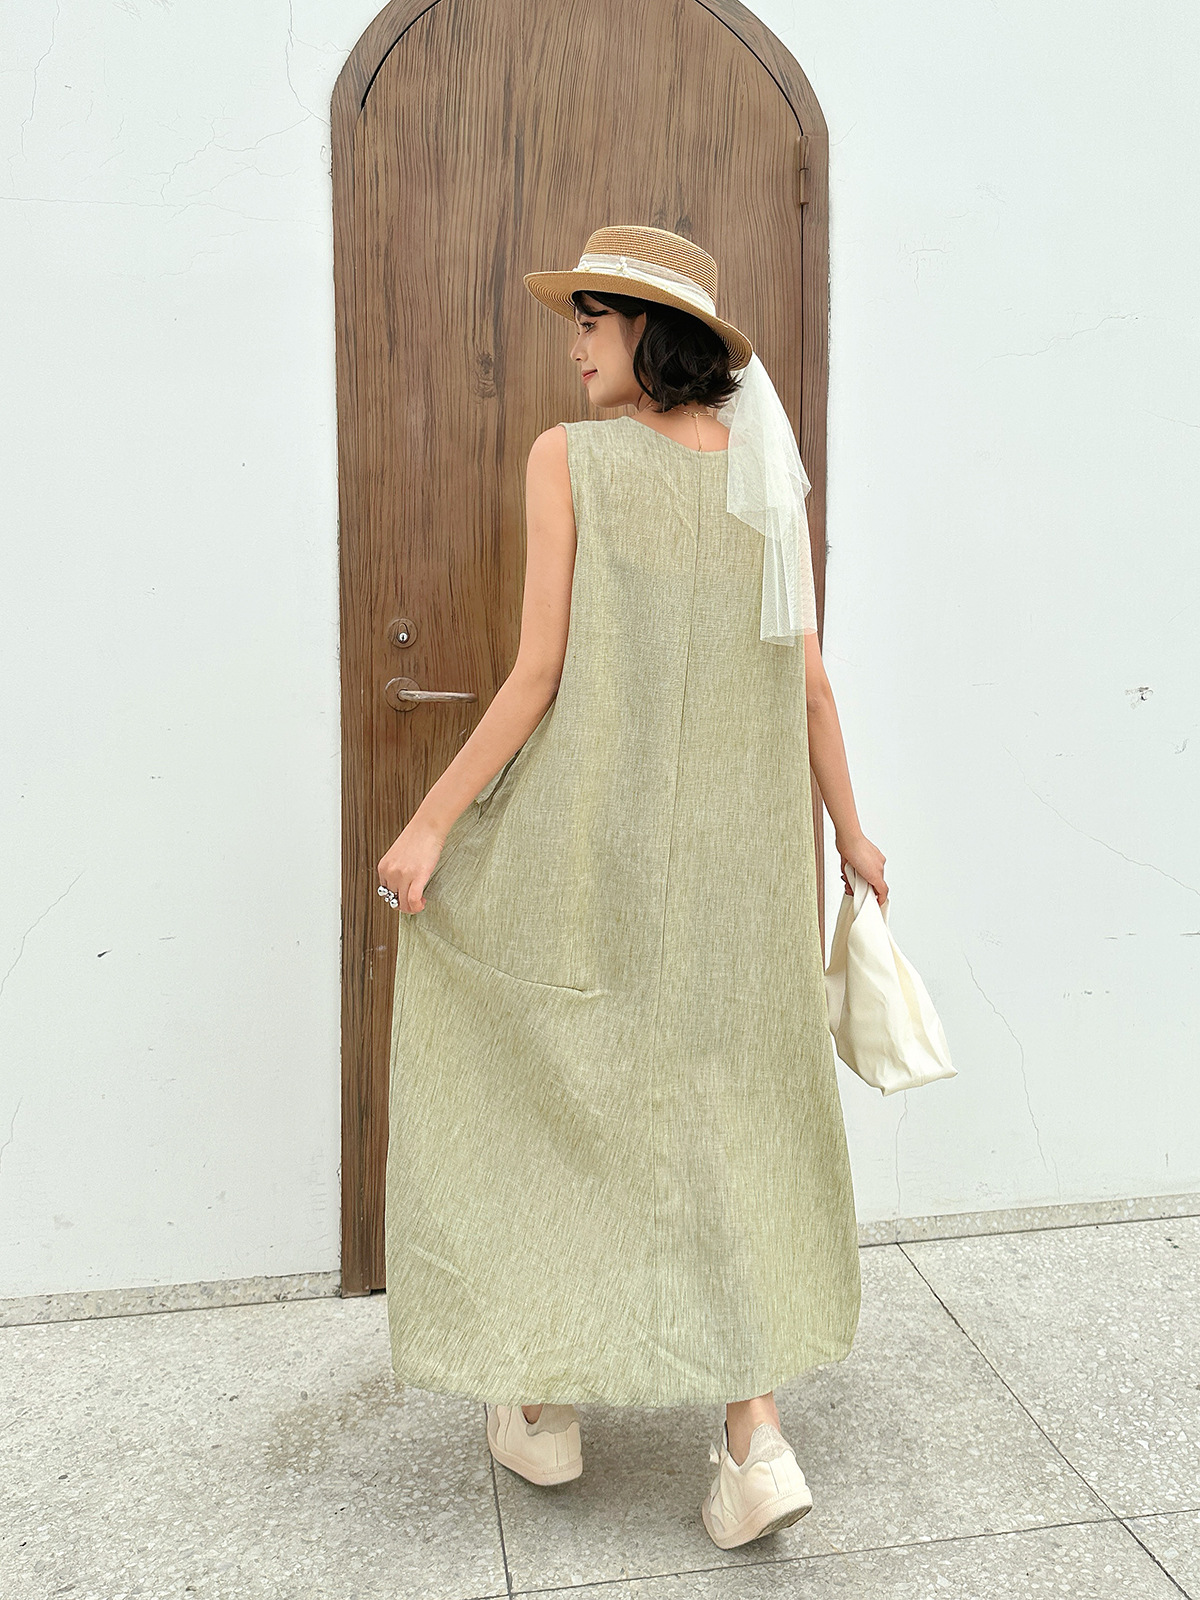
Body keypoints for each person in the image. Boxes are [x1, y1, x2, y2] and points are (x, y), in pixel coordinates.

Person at [376, 224, 887, 1550]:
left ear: (644, 331)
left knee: (560, 1090)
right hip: (742, 878)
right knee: (728, 1120)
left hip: (589, 849)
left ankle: (543, 1402)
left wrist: (430, 825)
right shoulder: (765, 483)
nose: (573, 348)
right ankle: (753, 1440)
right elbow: (810, 682)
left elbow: (537, 674)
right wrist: (854, 836)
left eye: (589, 323)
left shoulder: (570, 462)